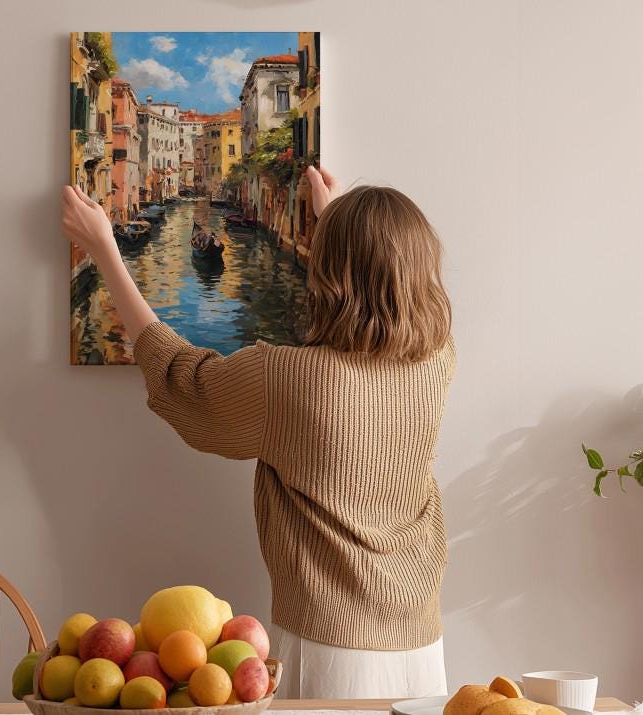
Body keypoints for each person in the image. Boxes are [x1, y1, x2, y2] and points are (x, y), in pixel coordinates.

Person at [61, 166, 455, 699]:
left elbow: (181, 376)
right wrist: (337, 223)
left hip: (328, 646)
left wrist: (105, 249)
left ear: (329, 271)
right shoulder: (438, 360)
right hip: (422, 642)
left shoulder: (286, 378)